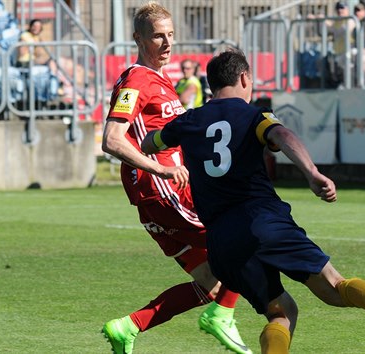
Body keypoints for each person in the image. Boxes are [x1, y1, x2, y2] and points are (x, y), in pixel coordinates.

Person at [141, 48, 365, 353]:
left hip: (221, 239)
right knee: (334, 286)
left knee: (281, 312)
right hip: (262, 220)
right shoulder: (255, 114)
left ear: (211, 85)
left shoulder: (189, 121)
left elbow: (149, 142)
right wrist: (312, 172)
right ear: (244, 79)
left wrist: (169, 145)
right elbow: (283, 135)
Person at [100, 2, 250, 354]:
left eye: (170, 35)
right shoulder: (136, 80)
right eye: (158, 36)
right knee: (248, 234)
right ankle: (222, 317)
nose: (167, 43)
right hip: (164, 191)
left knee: (212, 285)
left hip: (162, 197)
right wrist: (162, 168)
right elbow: (112, 139)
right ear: (137, 38)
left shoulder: (159, 80)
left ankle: (129, 326)